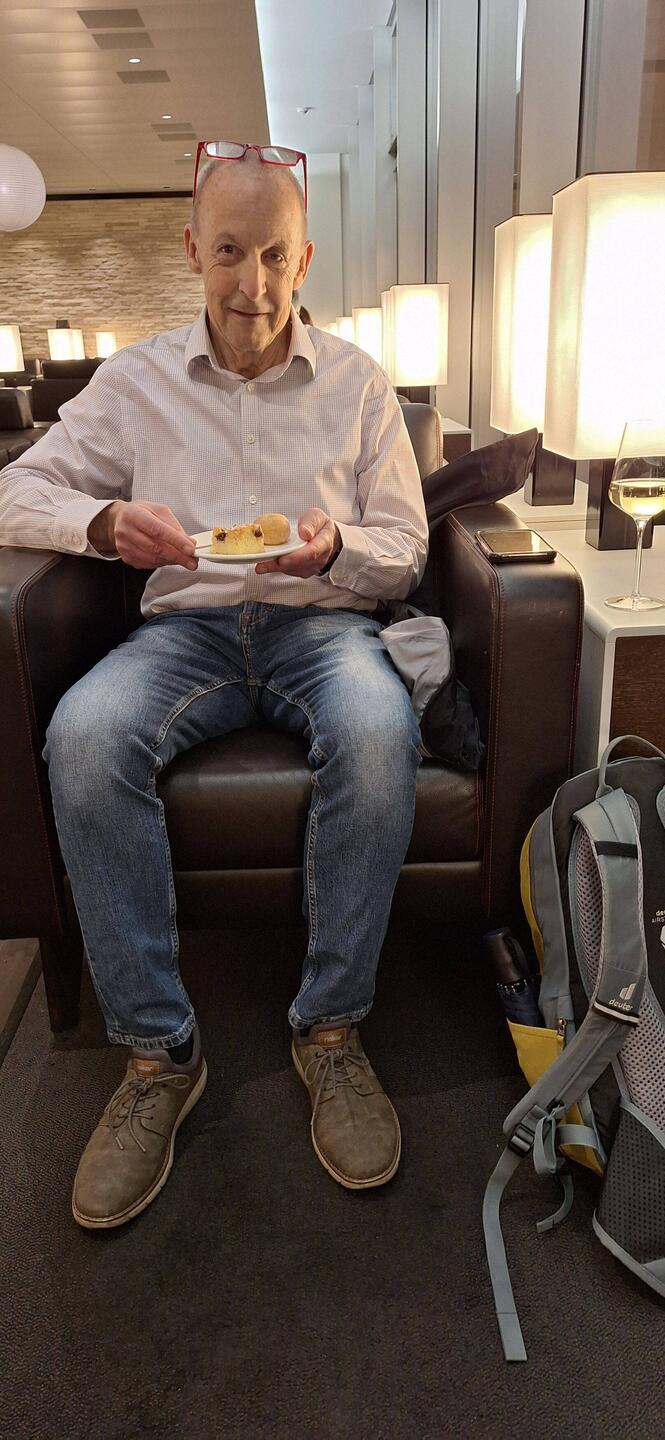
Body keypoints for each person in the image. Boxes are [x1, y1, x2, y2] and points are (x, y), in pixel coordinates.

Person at [0, 146, 428, 1230]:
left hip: (320, 626)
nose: (252, 284)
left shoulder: (358, 384)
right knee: (85, 737)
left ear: (304, 258)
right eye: (230, 252)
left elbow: (406, 549)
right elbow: (14, 491)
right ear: (194, 250)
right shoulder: (135, 381)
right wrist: (103, 523)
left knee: (378, 731)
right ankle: (158, 1054)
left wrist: (338, 548)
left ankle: (329, 1030)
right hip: (183, 633)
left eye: (274, 255)